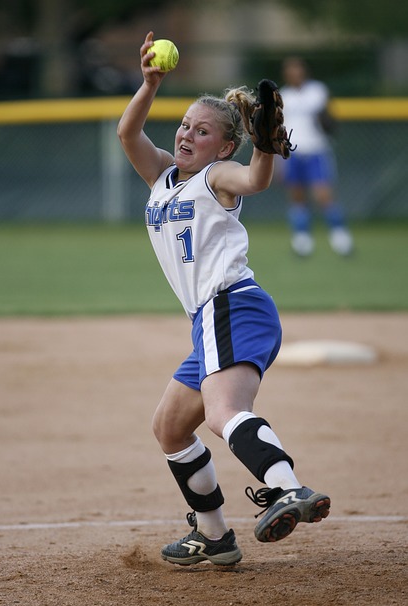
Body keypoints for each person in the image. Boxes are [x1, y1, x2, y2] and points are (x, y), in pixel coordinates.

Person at [117, 32, 330, 566]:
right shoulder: (162, 176)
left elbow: (256, 180)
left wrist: (264, 147)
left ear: (224, 146)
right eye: (185, 125)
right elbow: (128, 132)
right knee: (170, 426)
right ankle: (214, 536)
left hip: (233, 305)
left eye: (203, 131)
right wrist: (150, 84)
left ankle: (288, 488)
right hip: (209, 320)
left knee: (225, 412)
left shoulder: (217, 178)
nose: (188, 135)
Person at [279, 56, 354, 257]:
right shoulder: (283, 96)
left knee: (323, 195)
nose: (294, 74)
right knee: (297, 197)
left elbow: (330, 119)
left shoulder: (317, 91)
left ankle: (341, 239)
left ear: (304, 71)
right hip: (293, 152)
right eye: (290, 70)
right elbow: (280, 128)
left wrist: (327, 122)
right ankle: (302, 241)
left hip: (316, 150)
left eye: (297, 69)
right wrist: (280, 157)